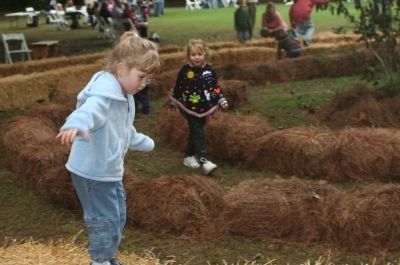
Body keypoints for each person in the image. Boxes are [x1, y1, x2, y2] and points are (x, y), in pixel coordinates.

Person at [57, 32, 160, 265]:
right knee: (103, 219)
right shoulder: (104, 95)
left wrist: (142, 141)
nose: (143, 84)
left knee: (117, 216)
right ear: (121, 68)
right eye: (141, 77)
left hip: (108, 170)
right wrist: (76, 123)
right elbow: (89, 110)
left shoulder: (125, 94)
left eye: (148, 80)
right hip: (92, 172)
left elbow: (122, 129)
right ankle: (100, 260)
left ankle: (106, 256)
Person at [169, 39, 229, 175]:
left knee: (196, 131)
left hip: (204, 107)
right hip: (189, 107)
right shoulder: (185, 71)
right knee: (198, 131)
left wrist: (221, 99)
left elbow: (214, 87)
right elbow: (179, 86)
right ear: (188, 56)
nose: (196, 57)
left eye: (199, 54)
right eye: (193, 55)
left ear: (205, 54)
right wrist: (174, 100)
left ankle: (189, 156)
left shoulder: (209, 71)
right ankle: (204, 161)